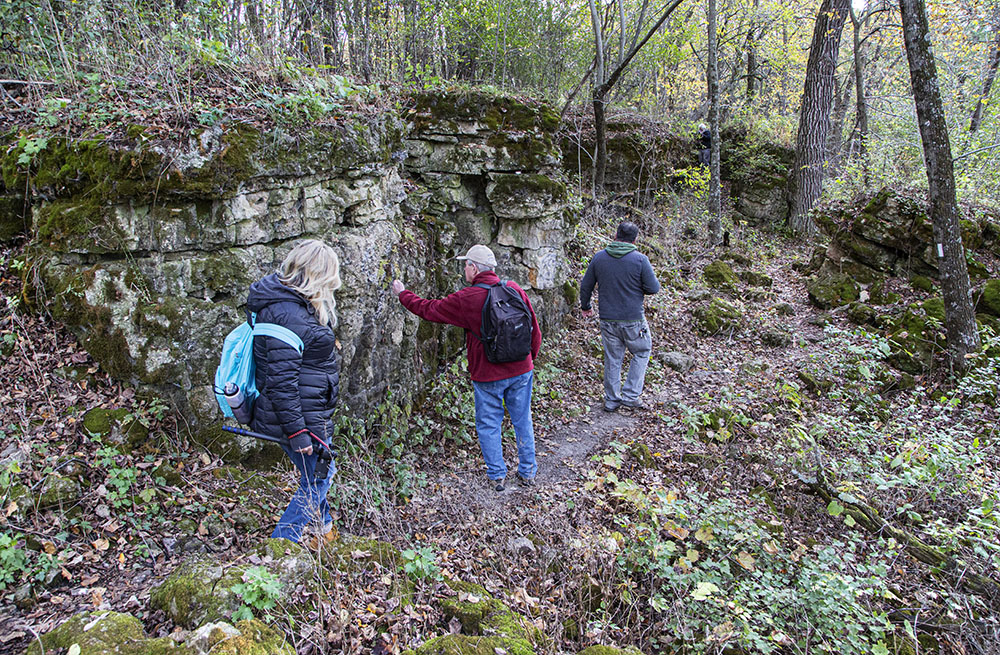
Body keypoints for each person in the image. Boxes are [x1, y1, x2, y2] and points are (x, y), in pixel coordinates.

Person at [391, 245, 541, 492]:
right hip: (521, 369)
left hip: (487, 373)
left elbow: (429, 309)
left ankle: (497, 477)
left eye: (466, 265)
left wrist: (403, 294)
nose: (464, 269)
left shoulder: (467, 298)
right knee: (522, 420)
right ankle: (527, 472)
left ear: (474, 267)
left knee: (489, 424)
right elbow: (533, 326)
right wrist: (529, 360)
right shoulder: (513, 288)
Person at [246, 239, 342, 545]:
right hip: (300, 417)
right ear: (318, 275)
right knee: (320, 476)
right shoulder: (289, 315)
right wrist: (298, 432)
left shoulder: (285, 305)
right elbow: (281, 382)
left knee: (314, 474)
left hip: (304, 411)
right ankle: (281, 543)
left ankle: (322, 529)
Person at [580, 222, 660, 412]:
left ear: (615, 236)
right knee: (641, 351)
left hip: (608, 319)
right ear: (635, 239)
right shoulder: (640, 260)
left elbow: (586, 285)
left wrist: (586, 306)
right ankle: (631, 396)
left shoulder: (599, 258)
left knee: (613, 358)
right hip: (633, 319)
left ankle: (612, 399)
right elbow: (653, 288)